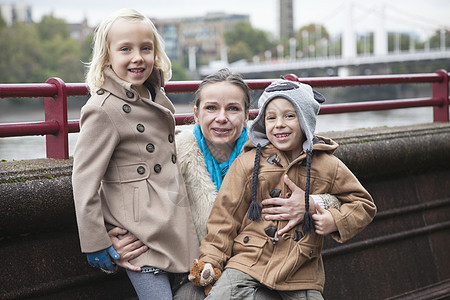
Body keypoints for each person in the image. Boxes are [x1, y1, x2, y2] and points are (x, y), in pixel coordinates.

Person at [109, 69, 343, 299]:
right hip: (202, 269)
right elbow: (127, 191)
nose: (222, 117)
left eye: (233, 109)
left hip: (266, 271)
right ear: (196, 114)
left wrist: (311, 203)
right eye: (211, 108)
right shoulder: (175, 154)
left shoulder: (271, 152)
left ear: (246, 117)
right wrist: (111, 241)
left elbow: (342, 196)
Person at [192, 78, 377, 299]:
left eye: (290, 116)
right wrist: (211, 260)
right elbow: (224, 217)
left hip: (301, 267)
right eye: (271, 117)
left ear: (306, 120)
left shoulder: (328, 165)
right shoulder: (249, 161)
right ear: (262, 123)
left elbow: (363, 205)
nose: (279, 124)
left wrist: (333, 220)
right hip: (248, 259)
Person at [71, 8, 198, 300]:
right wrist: (97, 241)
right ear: (107, 57)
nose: (137, 57)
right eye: (125, 49)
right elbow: (84, 180)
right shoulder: (102, 109)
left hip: (172, 222)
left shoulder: (155, 94)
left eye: (146, 48)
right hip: (139, 236)